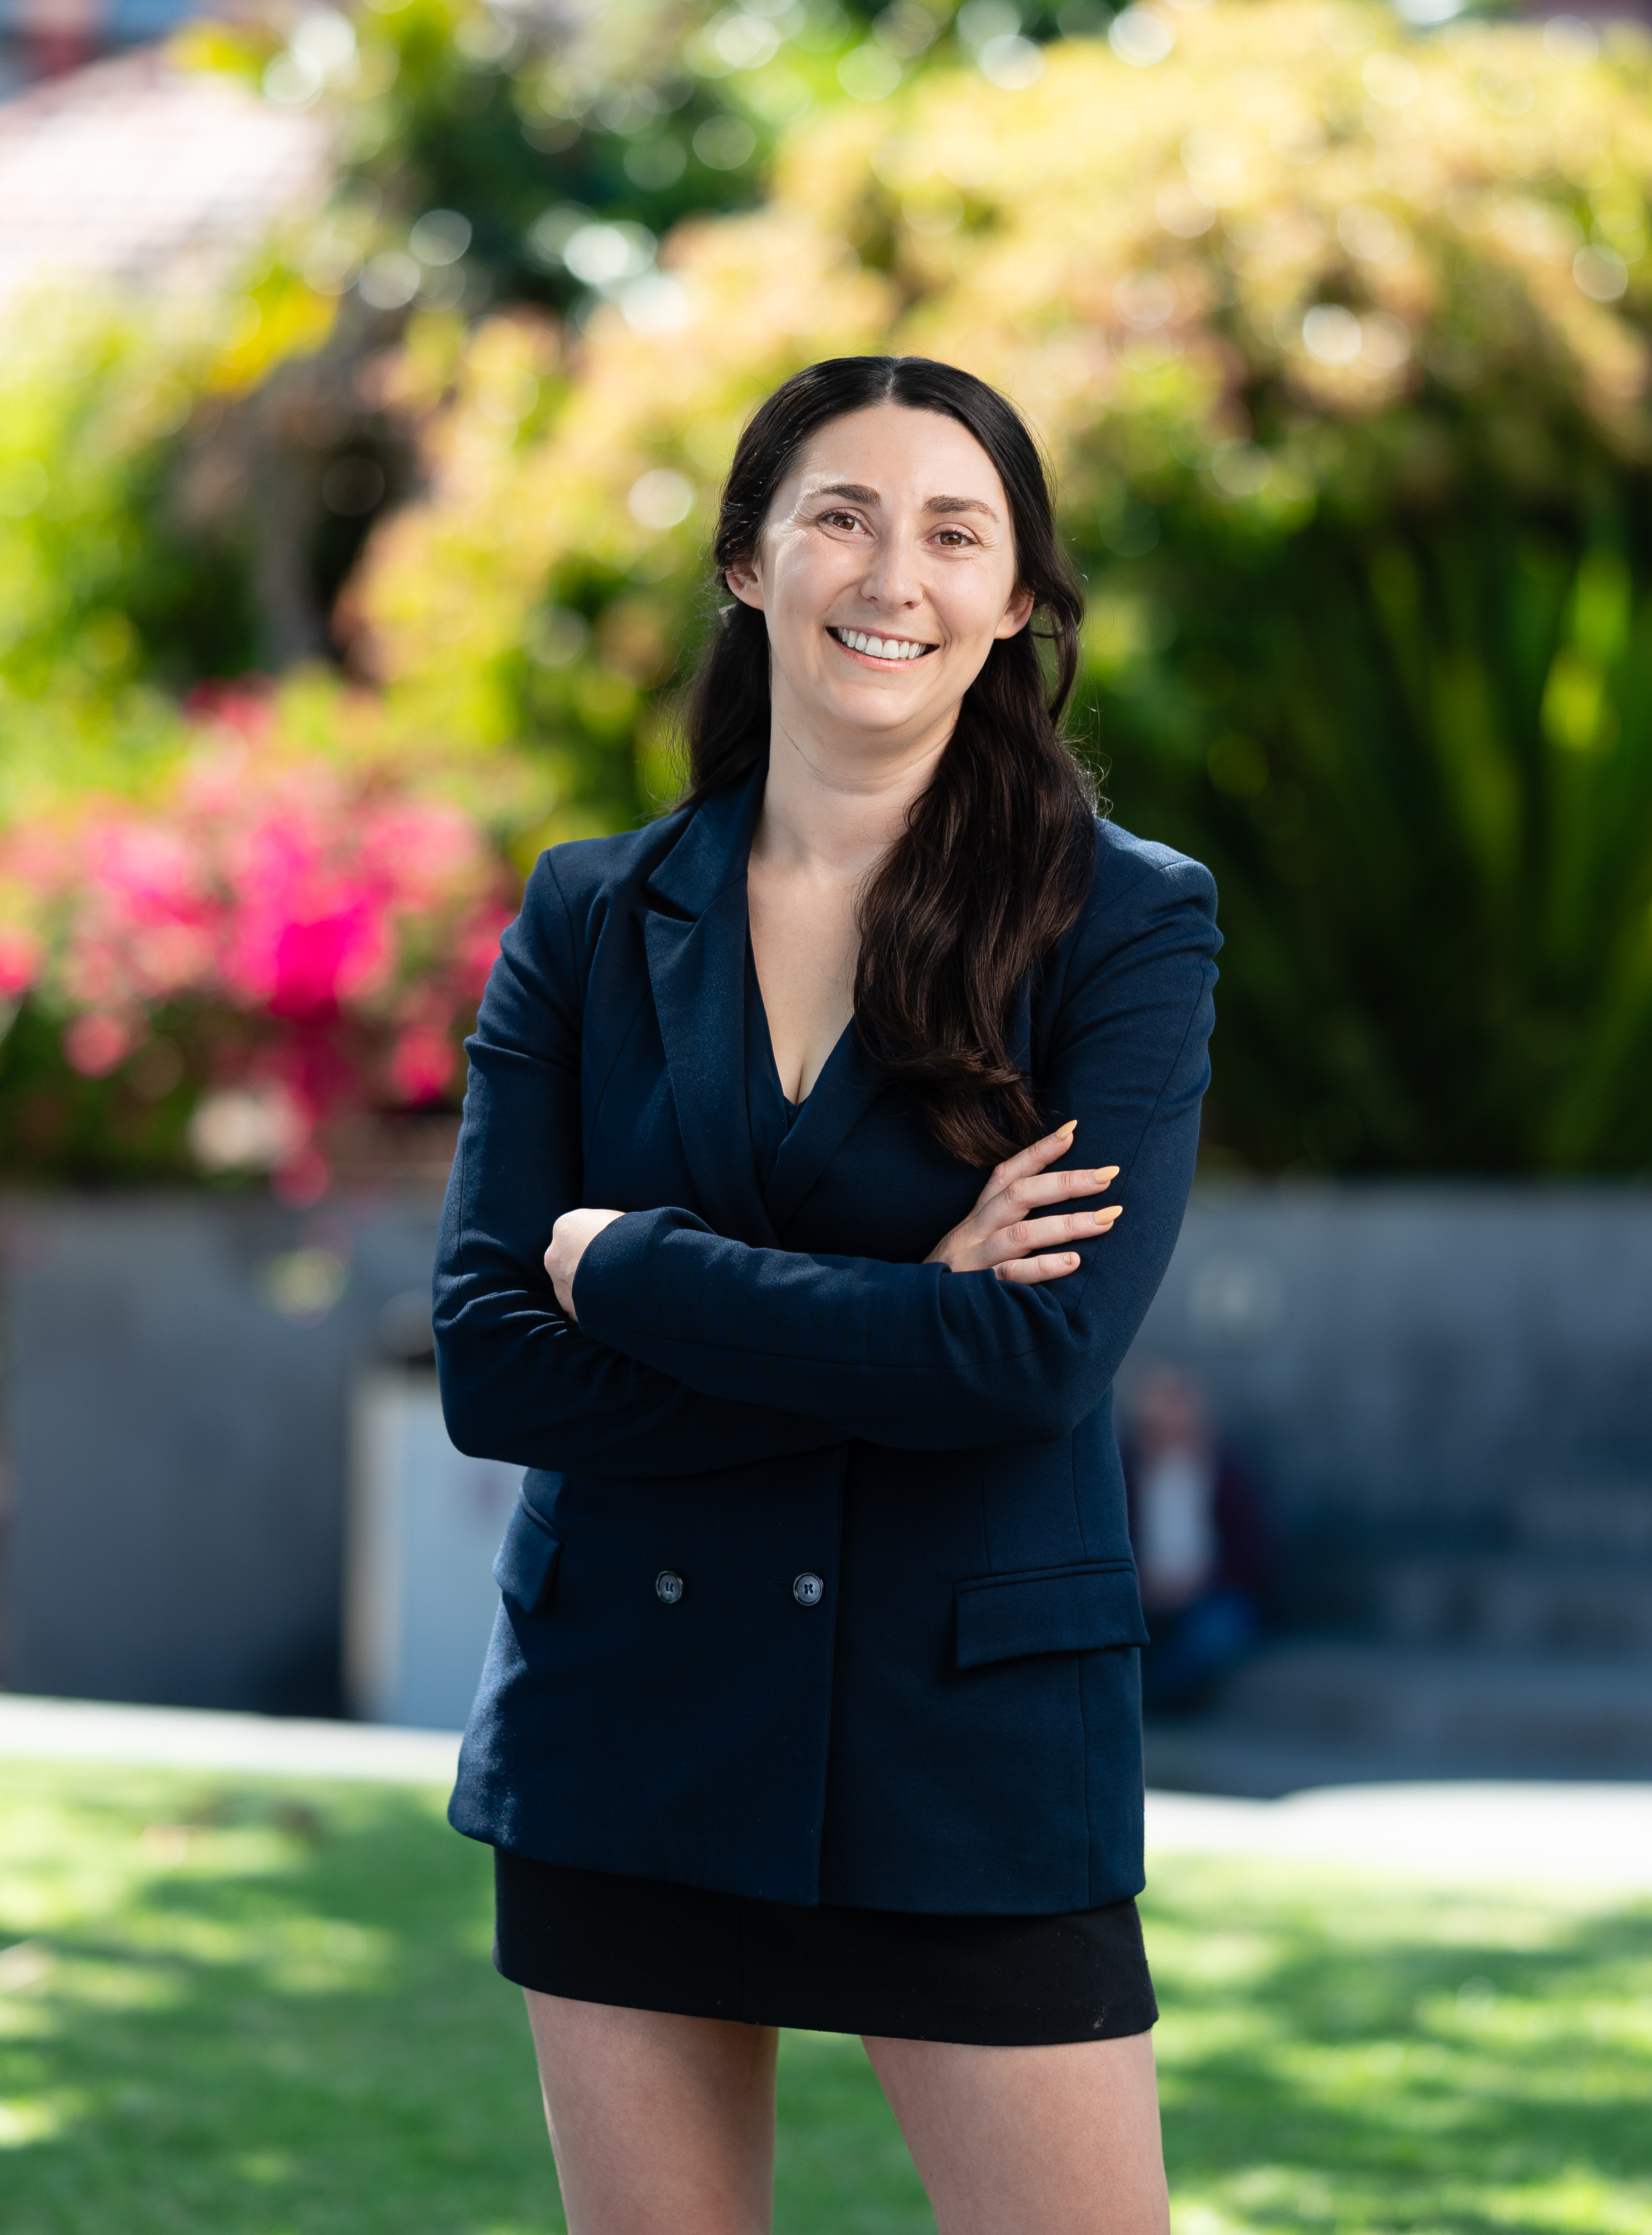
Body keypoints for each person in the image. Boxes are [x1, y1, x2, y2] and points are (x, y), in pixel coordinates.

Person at [433, 355, 1219, 2234]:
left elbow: (1029, 1362)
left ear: (1013, 595)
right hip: (631, 1706)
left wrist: (635, 1268)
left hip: (966, 1736)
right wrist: (897, 1309)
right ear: (745, 563)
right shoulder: (588, 917)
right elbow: (488, 1364)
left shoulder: (1124, 924)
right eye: (840, 516)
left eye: (956, 530)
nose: (895, 573)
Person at [1120, 1367, 1275, 1713]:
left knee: (1215, 1637)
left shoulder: (1227, 1472)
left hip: (1211, 1594)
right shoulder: (1126, 1470)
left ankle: (1151, 1702)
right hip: (1140, 1592)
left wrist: (1200, 1581)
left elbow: (1256, 1551)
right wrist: (1143, 1581)